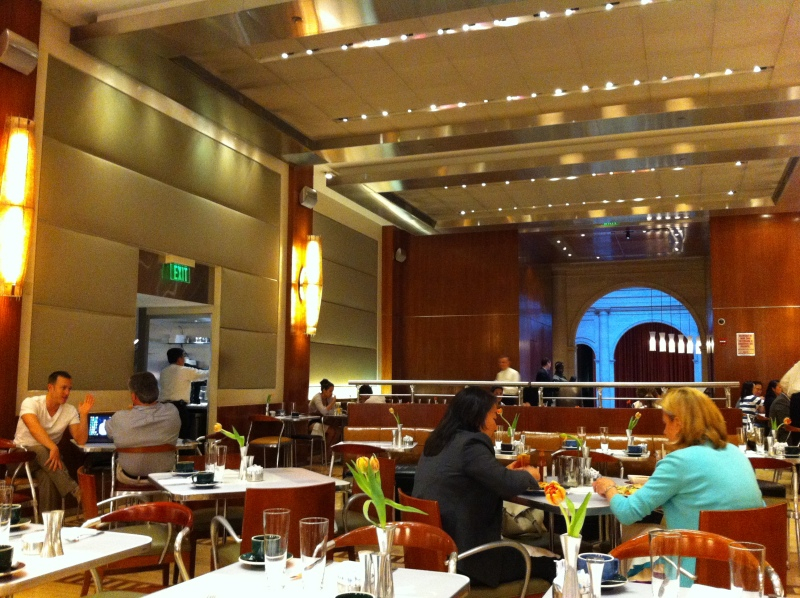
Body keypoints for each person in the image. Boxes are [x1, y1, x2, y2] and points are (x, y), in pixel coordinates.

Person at [593, 387, 763, 585]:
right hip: (745, 575)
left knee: (634, 533)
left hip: (693, 577)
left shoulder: (678, 461)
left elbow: (627, 512)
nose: (664, 432)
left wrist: (609, 487)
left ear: (679, 423)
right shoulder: (736, 453)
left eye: (666, 423)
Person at [413, 386, 556, 589]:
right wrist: (530, 474)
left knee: (525, 554)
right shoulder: (471, 443)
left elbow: (476, 478)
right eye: (494, 417)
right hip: (467, 560)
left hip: (432, 554)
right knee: (552, 565)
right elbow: (507, 484)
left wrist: (504, 472)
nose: (496, 425)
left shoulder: (438, 441)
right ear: (478, 417)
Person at [13, 371, 93, 510]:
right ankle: (75, 490)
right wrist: (53, 447)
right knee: (40, 450)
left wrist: (84, 415)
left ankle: (48, 522)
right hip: (19, 459)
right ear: (50, 387)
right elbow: (34, 429)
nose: (67, 393)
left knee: (48, 477)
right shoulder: (31, 403)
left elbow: (80, 440)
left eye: (69, 389)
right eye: (63, 388)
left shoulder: (69, 410)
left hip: (48, 462)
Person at [106, 372, 181, 485]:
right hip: (165, 476)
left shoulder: (120, 417)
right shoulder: (172, 412)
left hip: (129, 476)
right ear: (156, 391)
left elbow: (109, 432)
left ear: (133, 396)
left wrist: (130, 412)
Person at [309, 378, 338, 446]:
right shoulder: (317, 397)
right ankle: (326, 450)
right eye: (330, 391)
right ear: (324, 390)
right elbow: (324, 412)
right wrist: (332, 403)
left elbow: (332, 412)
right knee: (332, 431)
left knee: (338, 431)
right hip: (311, 422)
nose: (331, 393)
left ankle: (329, 450)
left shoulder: (328, 399)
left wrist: (331, 403)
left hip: (322, 421)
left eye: (332, 391)